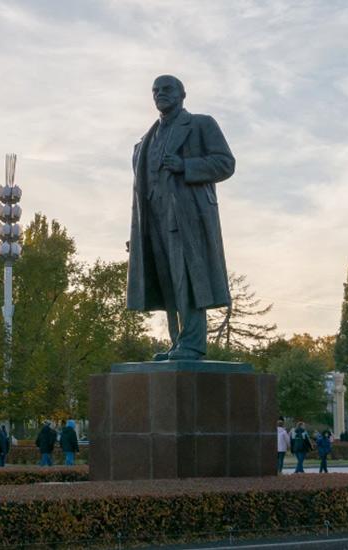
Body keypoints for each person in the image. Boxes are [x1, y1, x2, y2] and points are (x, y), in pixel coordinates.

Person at [126, 75, 235, 361]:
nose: (160, 94)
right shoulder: (143, 144)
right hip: (156, 222)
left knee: (188, 279)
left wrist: (186, 166)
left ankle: (194, 344)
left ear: (182, 94)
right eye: (155, 91)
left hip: (187, 219)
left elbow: (225, 163)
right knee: (166, 283)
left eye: (167, 89)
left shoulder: (201, 124)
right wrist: (138, 234)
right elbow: (142, 191)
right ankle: (179, 343)